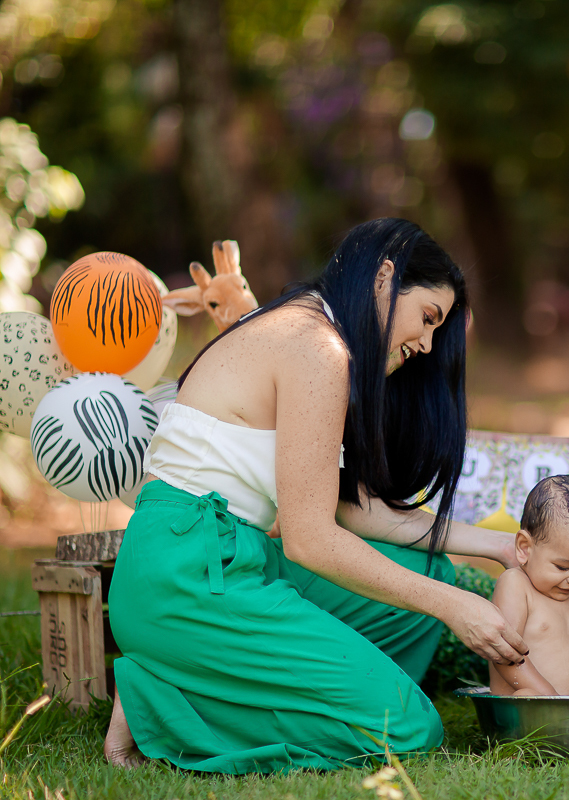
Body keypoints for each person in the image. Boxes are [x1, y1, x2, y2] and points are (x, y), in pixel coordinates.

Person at [103, 219, 530, 774]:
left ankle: (255, 681)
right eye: (428, 318)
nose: (427, 344)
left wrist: (496, 546)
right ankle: (160, 700)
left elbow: (347, 511)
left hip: (229, 554)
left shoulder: (306, 328)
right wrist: (456, 609)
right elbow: (309, 540)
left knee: (426, 583)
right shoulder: (317, 348)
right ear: (384, 277)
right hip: (186, 577)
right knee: (408, 728)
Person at [488, 475, 569, 696]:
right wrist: (548, 696)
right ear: (524, 547)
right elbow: (505, 653)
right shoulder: (516, 585)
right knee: (527, 697)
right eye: (562, 567)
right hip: (531, 702)